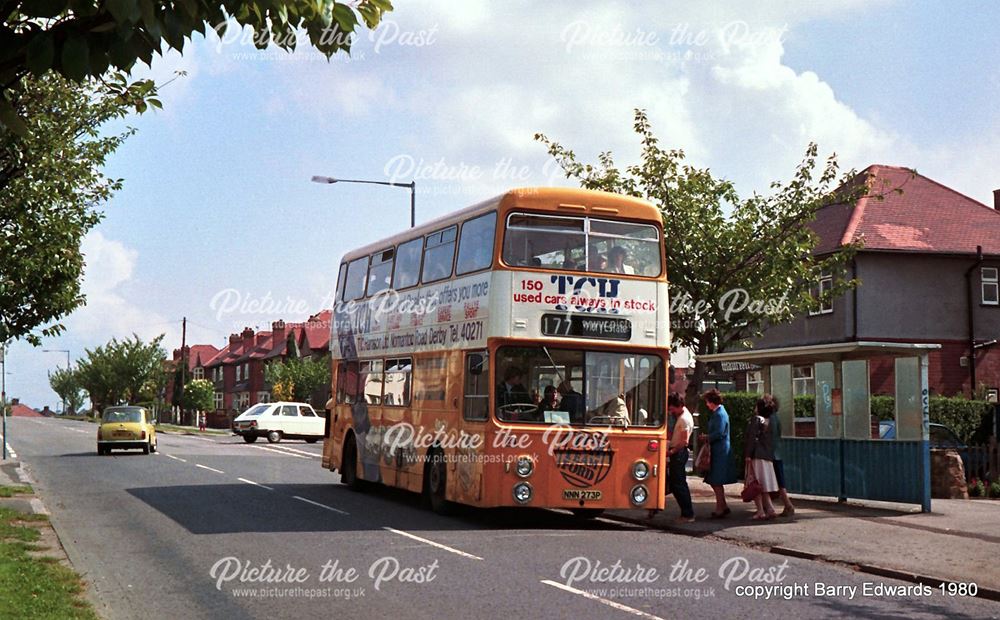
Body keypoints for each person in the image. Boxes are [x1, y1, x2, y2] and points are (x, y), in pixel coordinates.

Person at [698, 389, 735, 518]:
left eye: (707, 402)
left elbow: (719, 433)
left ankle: (720, 507)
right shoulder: (719, 412)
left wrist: (707, 437)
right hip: (719, 450)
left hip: (719, 452)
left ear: (712, 402)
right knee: (715, 480)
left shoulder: (719, 414)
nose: (707, 405)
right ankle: (723, 505)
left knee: (716, 480)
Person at [745, 394, 780, 520]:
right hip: (767, 456)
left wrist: (748, 454)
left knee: (755, 484)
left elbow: (752, 438)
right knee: (763, 485)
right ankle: (770, 508)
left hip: (756, 455)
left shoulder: (756, 419)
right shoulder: (771, 421)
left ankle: (760, 510)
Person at [667, 393, 695, 523]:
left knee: (679, 484)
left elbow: (684, 441)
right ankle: (686, 512)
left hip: (678, 453)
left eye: (672, 408)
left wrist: (672, 451)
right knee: (676, 483)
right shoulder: (685, 415)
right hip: (679, 453)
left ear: (678, 406)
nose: (671, 411)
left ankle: (687, 514)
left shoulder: (684, 419)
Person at [771, 404, 795, 517]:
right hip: (777, 451)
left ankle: (787, 504)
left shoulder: (770, 418)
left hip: (772, 453)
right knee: (779, 480)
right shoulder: (776, 417)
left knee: (777, 481)